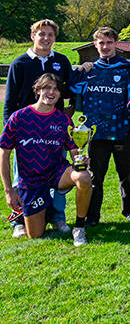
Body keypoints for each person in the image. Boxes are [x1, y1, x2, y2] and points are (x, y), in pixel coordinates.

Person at [69, 26, 130, 227]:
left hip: (124, 130)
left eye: (109, 42)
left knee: (126, 174)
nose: (105, 47)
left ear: (116, 44)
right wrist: (79, 72)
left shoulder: (129, 68)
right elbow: (70, 88)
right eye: (101, 43)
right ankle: (92, 215)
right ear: (95, 45)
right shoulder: (89, 70)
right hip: (96, 133)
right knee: (96, 176)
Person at [1, 74, 92, 246]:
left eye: (56, 89)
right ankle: (33, 214)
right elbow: (4, 154)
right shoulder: (19, 118)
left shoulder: (63, 120)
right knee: (35, 235)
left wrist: (80, 160)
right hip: (31, 180)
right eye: (47, 88)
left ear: (60, 94)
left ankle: (79, 228)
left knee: (83, 177)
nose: (52, 92)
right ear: (38, 90)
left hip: (56, 173)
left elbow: (74, 151)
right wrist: (8, 191)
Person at [4, 19, 73, 237]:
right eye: (41, 34)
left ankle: (57, 218)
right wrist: (11, 132)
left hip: (54, 130)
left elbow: (72, 88)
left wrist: (70, 112)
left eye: (50, 34)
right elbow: (10, 101)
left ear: (55, 38)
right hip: (26, 133)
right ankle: (18, 222)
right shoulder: (20, 63)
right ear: (33, 36)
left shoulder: (62, 61)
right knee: (20, 179)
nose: (46, 38)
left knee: (58, 174)